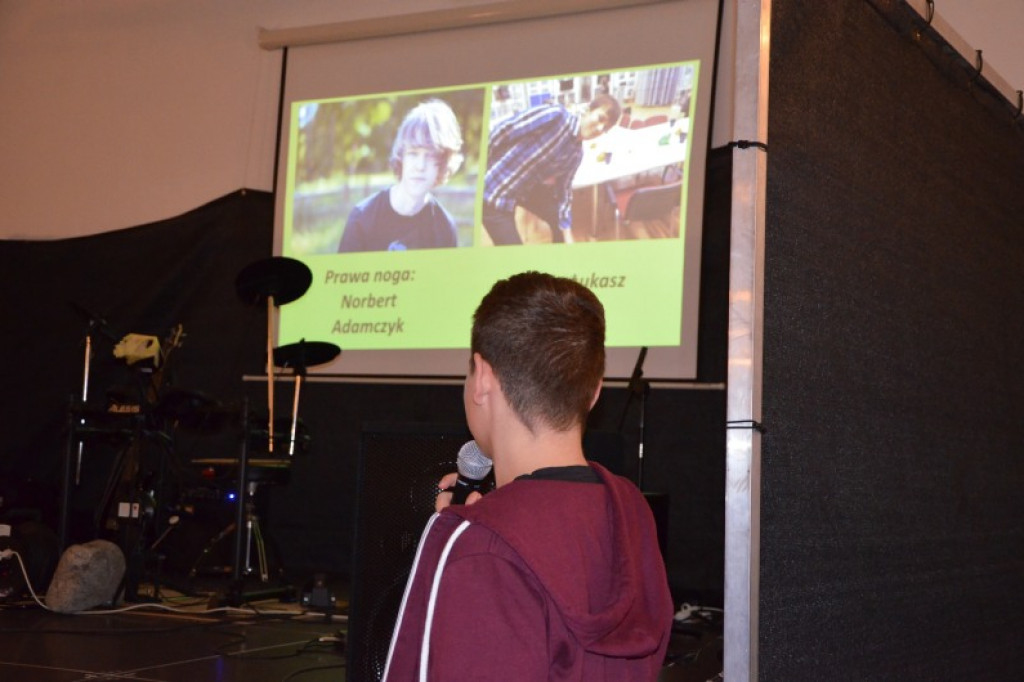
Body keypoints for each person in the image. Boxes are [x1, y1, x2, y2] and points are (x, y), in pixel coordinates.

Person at [383, 271, 673, 681]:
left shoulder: (480, 546)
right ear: (594, 391)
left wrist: (475, 538)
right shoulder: (632, 512)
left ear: (483, 378)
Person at [482, 95, 621, 246]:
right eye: (600, 119)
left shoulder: (576, 154)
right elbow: (501, 132)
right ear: (587, 110)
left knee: (559, 220)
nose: (600, 129)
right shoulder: (555, 116)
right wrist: (483, 168)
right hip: (493, 194)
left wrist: (567, 233)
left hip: (523, 191)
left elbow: (564, 191)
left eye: (605, 128)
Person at [338, 99, 464, 253]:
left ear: (443, 163)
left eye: (431, 156)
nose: (420, 166)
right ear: (401, 156)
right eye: (413, 153)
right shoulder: (362, 218)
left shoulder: (445, 229)